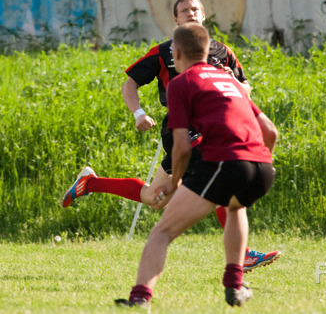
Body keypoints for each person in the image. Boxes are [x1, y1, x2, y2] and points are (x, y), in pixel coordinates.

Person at [62, 0, 280, 272]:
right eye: (185, 10)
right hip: (183, 129)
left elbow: (244, 88)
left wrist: (234, 84)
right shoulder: (164, 51)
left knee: (155, 198)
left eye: (195, 9)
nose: (191, 13)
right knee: (220, 171)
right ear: (176, 19)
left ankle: (90, 183)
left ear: (203, 15)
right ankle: (244, 255)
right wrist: (139, 113)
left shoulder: (223, 52)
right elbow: (129, 85)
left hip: (216, 127)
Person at [115, 22, 277, 308]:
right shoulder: (229, 81)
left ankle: (139, 298)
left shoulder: (182, 83)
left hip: (227, 163)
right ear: (207, 51)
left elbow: (181, 146)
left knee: (162, 232)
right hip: (263, 168)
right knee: (235, 206)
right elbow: (270, 132)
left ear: (176, 54)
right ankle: (234, 285)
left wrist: (176, 181)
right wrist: (263, 161)